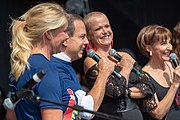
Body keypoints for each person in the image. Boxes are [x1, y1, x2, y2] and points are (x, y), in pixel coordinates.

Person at [6, 2, 70, 120]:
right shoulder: (45, 70)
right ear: (49, 34)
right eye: (65, 31)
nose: (67, 36)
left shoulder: (21, 64)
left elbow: (11, 116)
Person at [83, 11, 148, 120]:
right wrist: (126, 70)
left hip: (135, 113)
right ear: (89, 36)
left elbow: (147, 85)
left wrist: (128, 92)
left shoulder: (124, 55)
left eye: (107, 26)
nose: (105, 31)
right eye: (98, 29)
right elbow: (116, 92)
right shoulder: (91, 60)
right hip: (111, 116)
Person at [52, 14, 114, 119]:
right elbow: (86, 110)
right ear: (66, 39)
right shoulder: (56, 67)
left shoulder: (65, 65)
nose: (86, 41)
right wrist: (103, 73)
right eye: (82, 37)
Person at [136, 24, 180, 120]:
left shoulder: (173, 64)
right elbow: (158, 114)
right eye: (163, 43)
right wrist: (175, 84)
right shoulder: (143, 77)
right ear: (149, 48)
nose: (170, 47)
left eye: (170, 42)